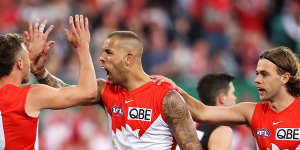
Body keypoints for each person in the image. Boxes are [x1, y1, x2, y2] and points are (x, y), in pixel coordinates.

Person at [30, 31, 202, 150]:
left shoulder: (167, 98)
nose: (101, 58)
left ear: (128, 59)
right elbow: (67, 92)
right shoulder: (106, 91)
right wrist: (41, 72)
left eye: (108, 53)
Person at [152, 46, 300, 149]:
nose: (257, 80)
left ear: (284, 78)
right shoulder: (251, 111)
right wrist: (176, 90)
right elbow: (202, 112)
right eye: (257, 73)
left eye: (264, 74)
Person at [0, 14, 97, 150]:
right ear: (20, 63)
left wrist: (37, 70)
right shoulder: (30, 95)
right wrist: (83, 47)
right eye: (26, 56)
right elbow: (89, 92)